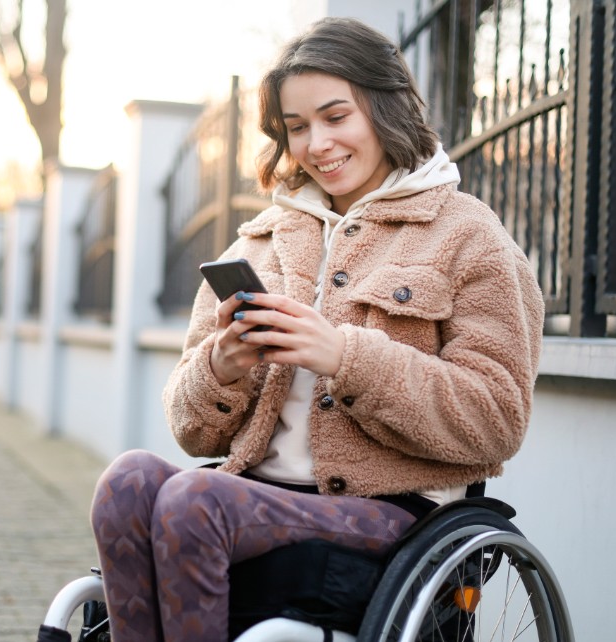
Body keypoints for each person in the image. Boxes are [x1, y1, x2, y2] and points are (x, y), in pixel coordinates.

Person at [89, 16, 544, 642]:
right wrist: (222, 366)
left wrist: (346, 356)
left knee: (193, 504)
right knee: (128, 481)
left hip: (391, 514)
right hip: (246, 496)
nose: (315, 144)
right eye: (295, 127)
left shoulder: (469, 237)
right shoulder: (263, 240)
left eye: (336, 117)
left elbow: (496, 418)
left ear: (385, 109)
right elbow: (192, 433)